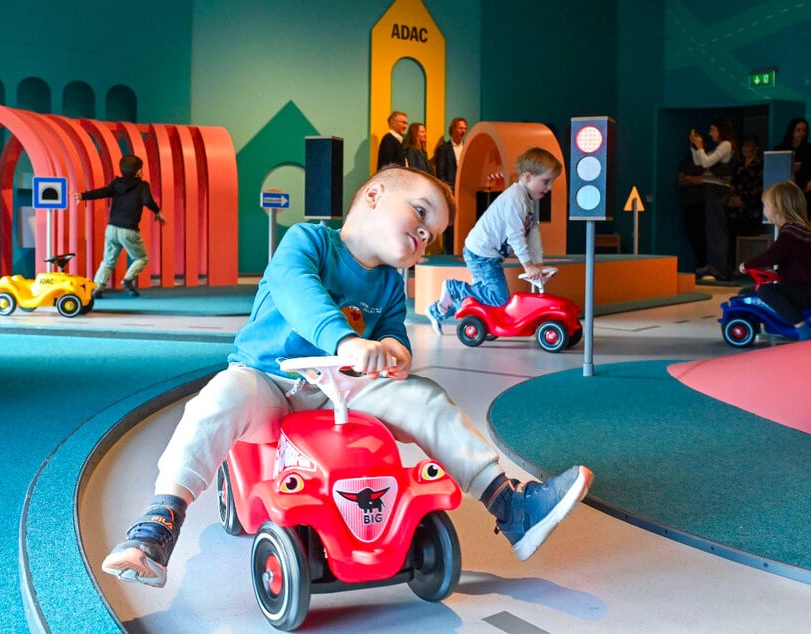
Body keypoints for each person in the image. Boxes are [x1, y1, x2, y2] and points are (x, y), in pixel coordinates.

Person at [101, 166, 593, 588]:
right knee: (217, 398)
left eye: (432, 235)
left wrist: (396, 354)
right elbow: (298, 293)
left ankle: (509, 505)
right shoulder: (309, 240)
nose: (425, 236)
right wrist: (345, 341)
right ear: (374, 196)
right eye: (420, 214)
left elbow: (394, 333)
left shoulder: (388, 283)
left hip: (336, 391)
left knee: (424, 397)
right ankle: (158, 524)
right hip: (268, 382)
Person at [426, 147, 560, 334]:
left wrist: (538, 263)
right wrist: (529, 265)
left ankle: (437, 311)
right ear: (528, 177)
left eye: (551, 182)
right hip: (481, 254)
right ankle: (453, 287)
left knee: (485, 298)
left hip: (487, 254)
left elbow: (533, 234)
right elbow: (516, 236)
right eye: (546, 181)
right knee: (499, 299)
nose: (550, 187)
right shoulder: (516, 200)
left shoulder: (529, 201)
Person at [737, 181, 811, 341]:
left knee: (765, 291)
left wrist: (747, 264)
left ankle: (801, 327)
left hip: (807, 291)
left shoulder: (790, 233)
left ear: (778, 209)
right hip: (809, 287)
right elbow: (797, 263)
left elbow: (772, 255)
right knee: (747, 292)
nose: (764, 210)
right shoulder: (798, 230)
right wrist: (776, 273)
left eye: (766, 206)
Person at [74, 155, 165, 298]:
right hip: (128, 230)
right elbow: (147, 200)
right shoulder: (142, 185)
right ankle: (128, 279)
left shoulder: (116, 184)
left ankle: (98, 288)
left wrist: (83, 196)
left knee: (108, 260)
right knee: (141, 258)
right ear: (138, 172)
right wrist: (158, 212)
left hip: (111, 229)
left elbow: (102, 192)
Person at [690, 119, 738, 281]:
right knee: (711, 228)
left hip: (717, 190)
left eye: (713, 130)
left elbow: (706, 162)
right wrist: (695, 147)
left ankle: (719, 268)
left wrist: (701, 148)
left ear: (721, 130)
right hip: (711, 190)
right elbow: (699, 161)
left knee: (716, 228)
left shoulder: (726, 144)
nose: (711, 133)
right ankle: (713, 265)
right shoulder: (719, 146)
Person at [727, 136, 765, 271]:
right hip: (735, 210)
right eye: (744, 146)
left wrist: (743, 200)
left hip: (751, 208)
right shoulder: (738, 165)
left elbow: (759, 187)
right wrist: (731, 198)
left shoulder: (760, 165)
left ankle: (750, 269)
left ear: (756, 148)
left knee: (749, 239)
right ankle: (733, 268)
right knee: (732, 239)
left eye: (749, 146)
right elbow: (732, 183)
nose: (746, 149)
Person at [773, 118, 811, 220]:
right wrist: (789, 168)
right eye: (798, 130)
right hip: (785, 192)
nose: (801, 133)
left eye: (804, 130)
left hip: (804, 191)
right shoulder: (780, 149)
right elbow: (774, 170)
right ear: (792, 131)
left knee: (803, 220)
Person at [677, 153, 706, 273]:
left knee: (702, 234)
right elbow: (680, 181)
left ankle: (705, 263)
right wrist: (694, 179)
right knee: (691, 233)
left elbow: (704, 180)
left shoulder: (705, 161)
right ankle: (700, 263)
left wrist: (688, 178)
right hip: (688, 203)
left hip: (702, 203)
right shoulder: (686, 161)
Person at [434, 117, 468, 192]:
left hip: (465, 190)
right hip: (450, 190)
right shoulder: (443, 149)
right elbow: (440, 173)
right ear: (453, 129)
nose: (463, 131)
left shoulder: (467, 148)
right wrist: (447, 189)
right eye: (460, 128)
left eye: (465, 128)